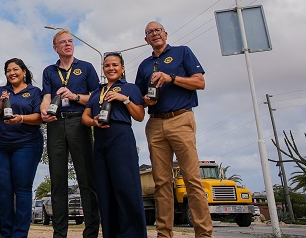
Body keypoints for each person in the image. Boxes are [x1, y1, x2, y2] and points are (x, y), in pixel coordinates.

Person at [134, 22, 211, 238]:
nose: (154, 34)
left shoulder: (182, 52)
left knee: (192, 179)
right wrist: (145, 100)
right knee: (161, 182)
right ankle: (164, 234)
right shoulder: (144, 65)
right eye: (150, 32)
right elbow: (139, 98)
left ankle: (204, 234)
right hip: (155, 123)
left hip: (181, 118)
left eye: (158, 30)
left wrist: (171, 78)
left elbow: (200, 82)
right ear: (146, 39)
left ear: (166, 34)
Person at [40, 29, 100, 238]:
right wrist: (43, 109)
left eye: (70, 41)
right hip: (56, 123)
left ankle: (91, 231)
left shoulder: (86, 68)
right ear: (55, 47)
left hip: (79, 122)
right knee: (58, 180)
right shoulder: (49, 71)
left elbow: (95, 98)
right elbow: (46, 97)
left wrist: (74, 96)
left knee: (86, 178)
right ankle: (60, 233)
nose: (67, 44)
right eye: (62, 42)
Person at [82, 52, 146, 238]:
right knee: (104, 189)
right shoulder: (97, 92)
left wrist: (124, 99)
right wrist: (93, 122)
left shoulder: (130, 88)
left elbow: (140, 116)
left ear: (122, 68)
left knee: (126, 187)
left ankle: (132, 234)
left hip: (121, 137)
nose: (111, 68)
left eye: (115, 65)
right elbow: (85, 117)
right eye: (107, 65)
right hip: (101, 139)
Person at [0, 58, 43, 238]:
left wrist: (21, 118)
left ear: (24, 71)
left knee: (22, 190)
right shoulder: (1, 91)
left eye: (16, 69)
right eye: (8, 70)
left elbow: (39, 117)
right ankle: (5, 234)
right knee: (4, 191)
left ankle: (19, 234)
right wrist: (0, 105)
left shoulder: (34, 92)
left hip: (27, 144)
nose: (12, 73)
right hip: (1, 146)